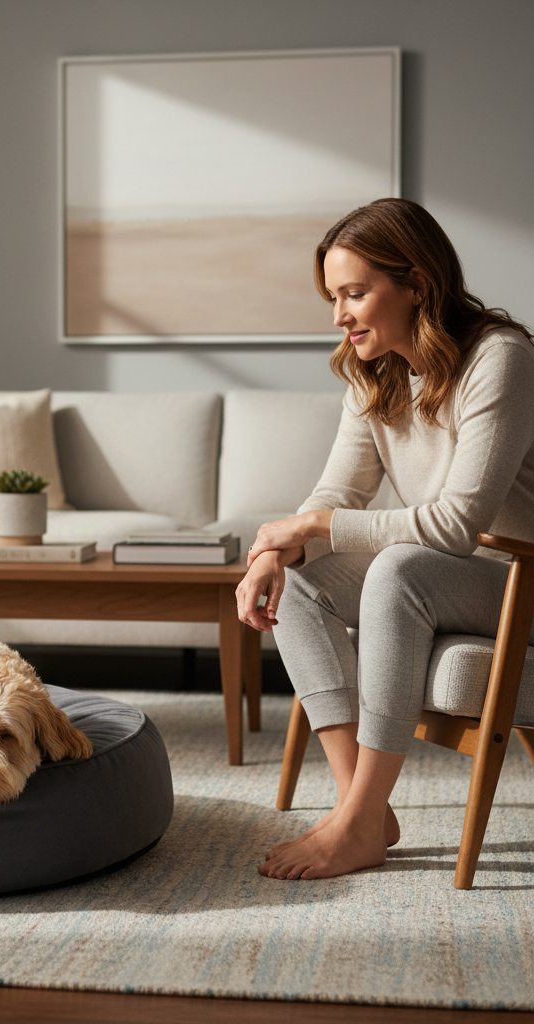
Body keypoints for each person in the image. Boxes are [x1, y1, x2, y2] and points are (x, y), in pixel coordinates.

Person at [235, 198, 534, 880]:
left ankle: (359, 821)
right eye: (333, 297)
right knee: (303, 584)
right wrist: (274, 555)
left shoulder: (501, 358)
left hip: (522, 580)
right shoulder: (374, 372)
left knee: (398, 569)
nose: (339, 316)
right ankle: (362, 809)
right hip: (459, 576)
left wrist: (306, 528)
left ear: (417, 284)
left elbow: (457, 524)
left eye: (354, 294)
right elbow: (337, 494)